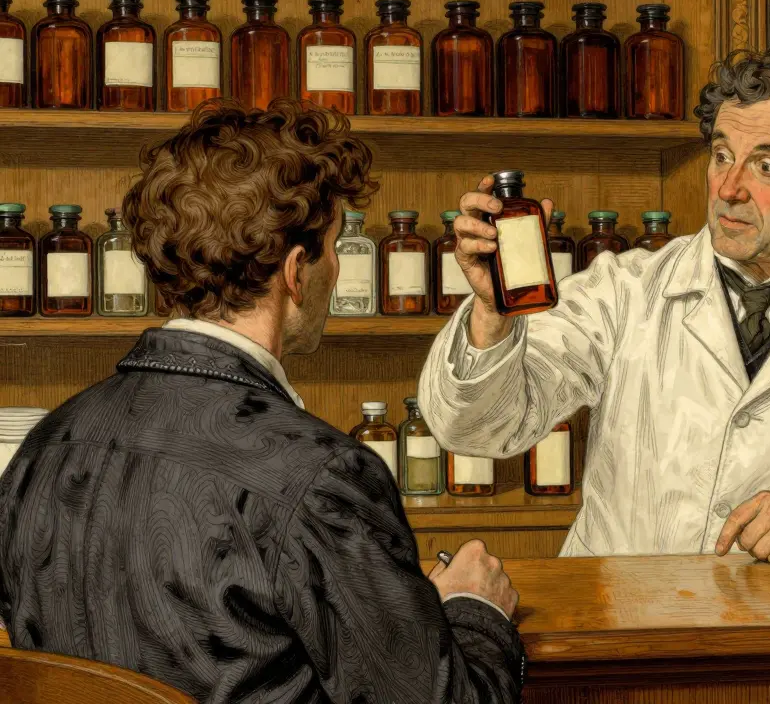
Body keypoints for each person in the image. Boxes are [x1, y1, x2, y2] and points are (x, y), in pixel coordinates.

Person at [0, 100, 525, 704]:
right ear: (297, 271)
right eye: (333, 249)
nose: (336, 268)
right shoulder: (322, 475)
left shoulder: (44, 448)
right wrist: (474, 610)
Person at [419, 45, 770, 564]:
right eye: (721, 157)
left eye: (764, 165)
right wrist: (492, 315)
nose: (729, 188)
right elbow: (479, 431)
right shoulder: (624, 289)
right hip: (617, 622)